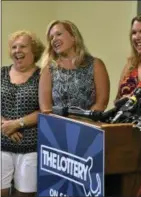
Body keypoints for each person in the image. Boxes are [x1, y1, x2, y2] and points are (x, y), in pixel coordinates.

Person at [1, 30, 45, 196]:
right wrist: (5, 126)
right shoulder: (2, 73)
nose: (17, 50)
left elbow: (46, 110)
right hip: (1, 144)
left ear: (34, 50)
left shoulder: (43, 75)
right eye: (14, 47)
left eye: (23, 46)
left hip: (30, 147)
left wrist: (17, 124)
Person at [39, 20, 110, 114]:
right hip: (57, 126)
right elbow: (46, 109)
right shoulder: (48, 69)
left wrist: (82, 123)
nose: (54, 40)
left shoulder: (96, 64)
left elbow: (101, 103)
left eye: (58, 34)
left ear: (73, 37)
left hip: (89, 125)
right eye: (51, 38)